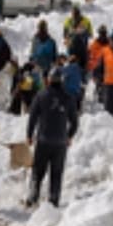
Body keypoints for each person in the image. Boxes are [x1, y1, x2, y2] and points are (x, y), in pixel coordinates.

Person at [26, 67, 78, 207]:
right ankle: (53, 201)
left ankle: (33, 197)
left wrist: (29, 135)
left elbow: (33, 118)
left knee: (38, 171)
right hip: (60, 143)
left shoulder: (41, 95)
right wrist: (69, 136)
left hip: (43, 140)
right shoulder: (68, 97)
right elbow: (75, 122)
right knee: (56, 173)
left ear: (48, 79)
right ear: (62, 80)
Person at [62, 5, 93, 72]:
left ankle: (83, 77)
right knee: (72, 67)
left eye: (76, 12)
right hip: (71, 48)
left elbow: (90, 34)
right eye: (74, 12)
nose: (75, 15)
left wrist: (82, 32)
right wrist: (70, 35)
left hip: (82, 47)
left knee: (82, 67)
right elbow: (64, 34)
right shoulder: (68, 21)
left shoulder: (85, 21)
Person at [86, 25, 110, 107]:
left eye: (104, 33)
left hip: (108, 69)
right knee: (99, 85)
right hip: (97, 69)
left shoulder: (110, 43)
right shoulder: (94, 45)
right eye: (101, 33)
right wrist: (89, 67)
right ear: (99, 33)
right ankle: (99, 102)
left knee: (106, 87)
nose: (103, 35)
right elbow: (88, 56)